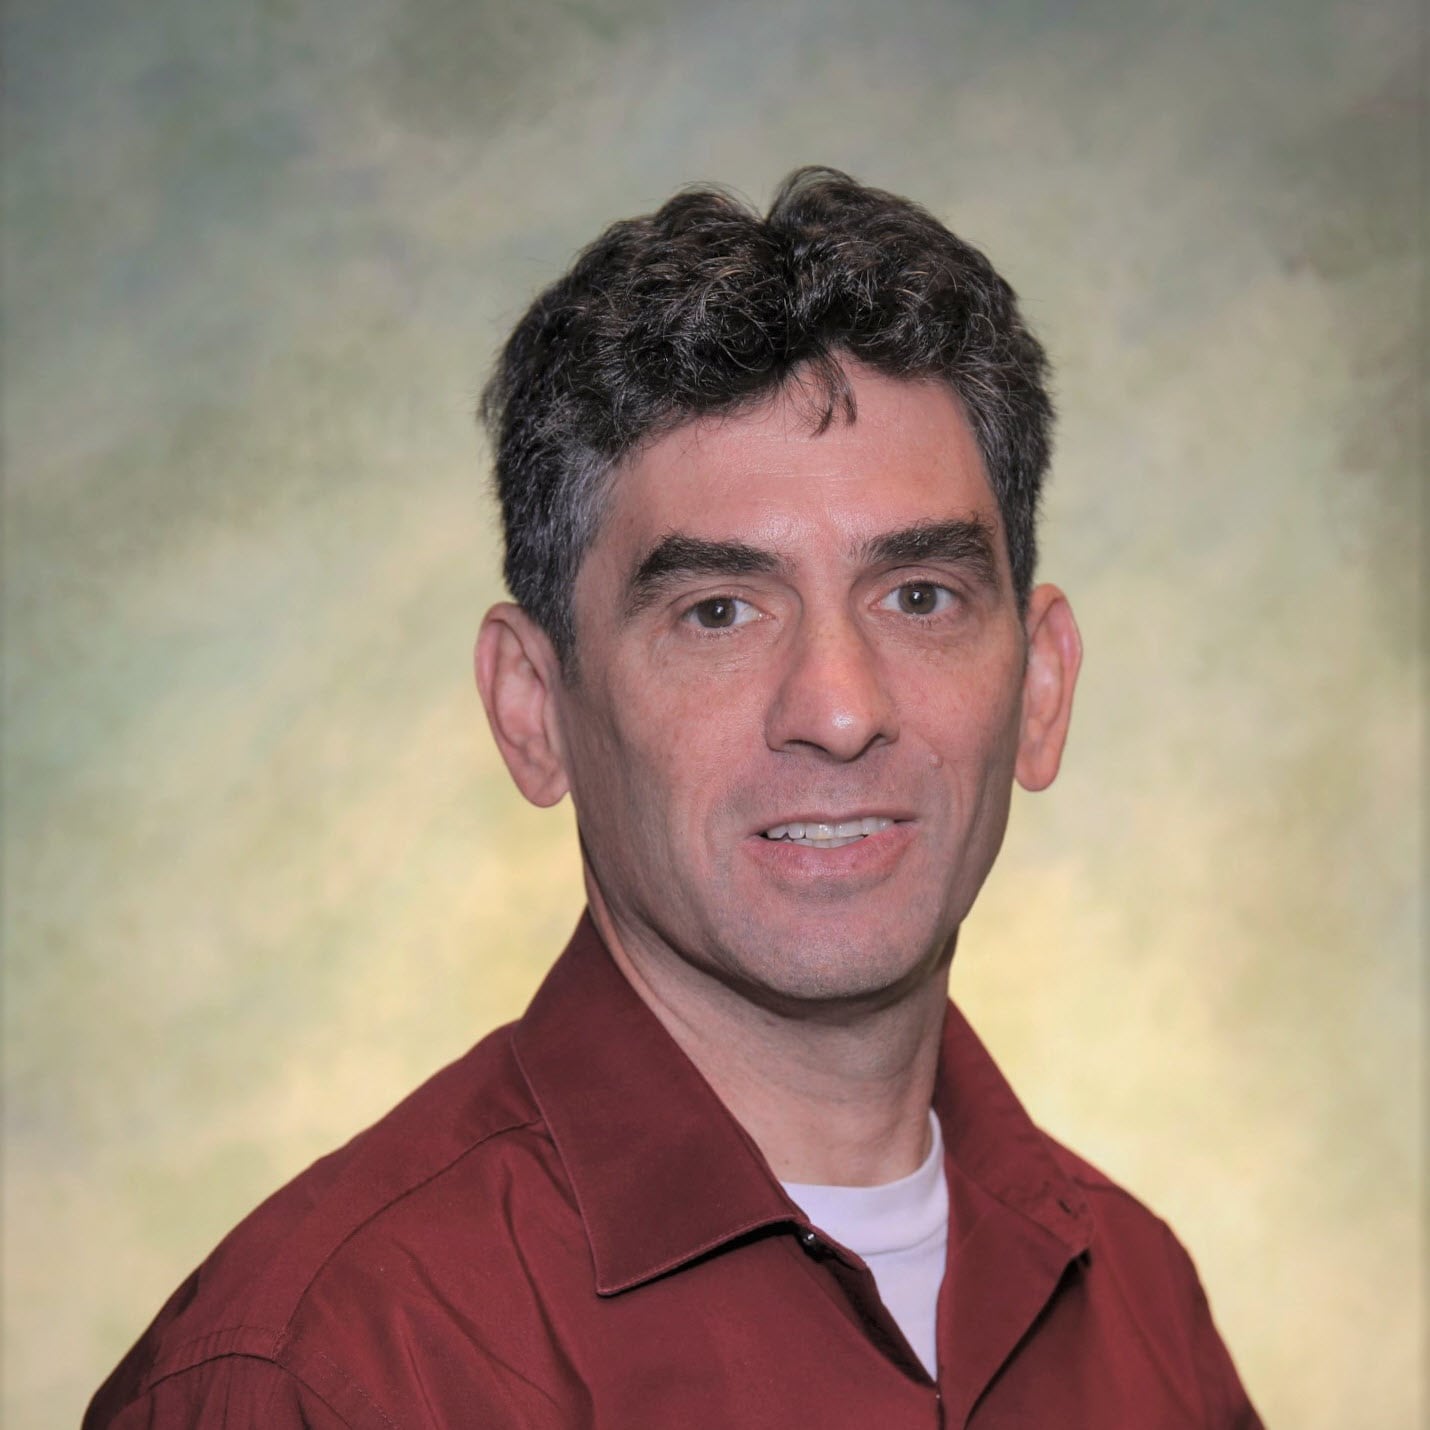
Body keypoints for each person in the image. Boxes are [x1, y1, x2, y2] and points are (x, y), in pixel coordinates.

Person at [86, 168, 1262, 1428]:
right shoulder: (325, 1369)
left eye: (917, 594)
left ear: (1040, 686)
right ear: (532, 707)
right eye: (717, 610)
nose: (838, 705)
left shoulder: (1144, 1311)